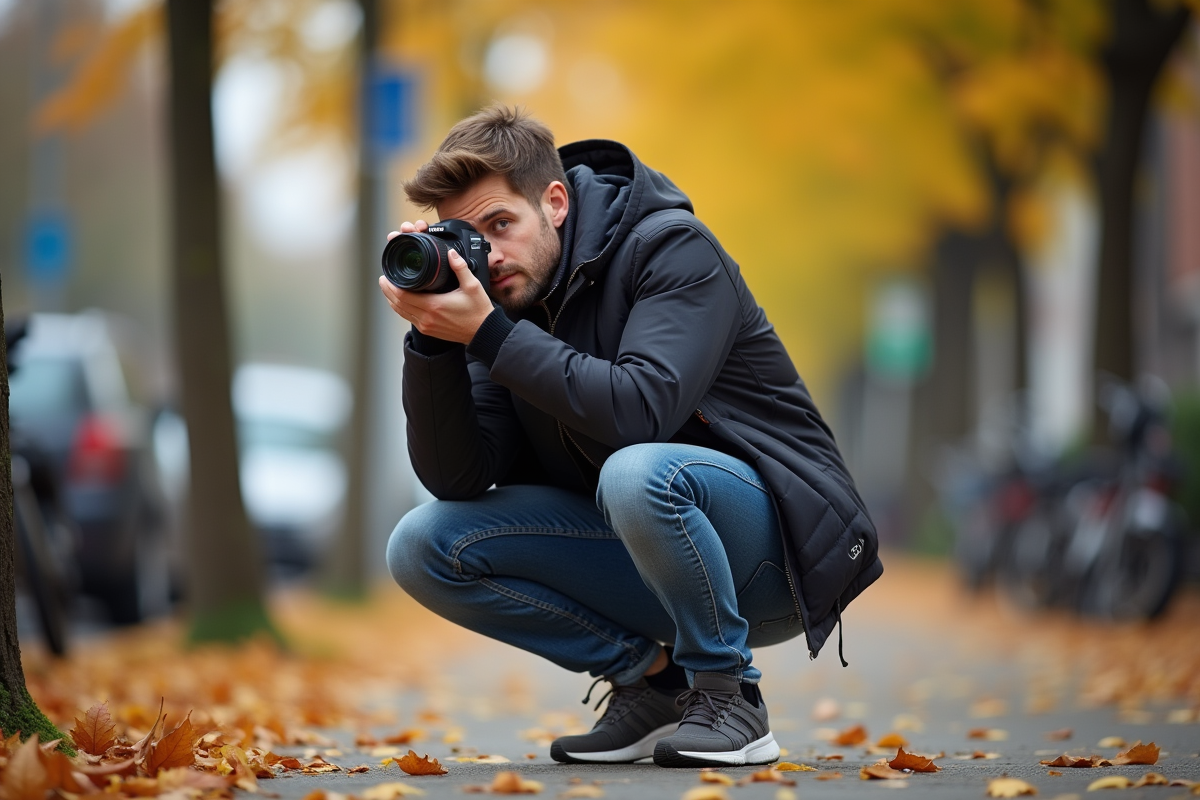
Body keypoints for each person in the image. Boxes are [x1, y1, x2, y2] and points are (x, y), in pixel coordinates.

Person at [380, 105, 882, 768]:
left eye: (502, 224)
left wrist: (490, 334)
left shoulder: (671, 248)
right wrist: (434, 342)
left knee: (638, 471)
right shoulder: (499, 307)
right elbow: (460, 478)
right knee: (422, 544)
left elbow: (638, 411)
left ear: (554, 202)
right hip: (647, 557)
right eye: (467, 238)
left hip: (771, 558)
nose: (489, 255)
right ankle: (655, 684)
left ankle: (731, 696)